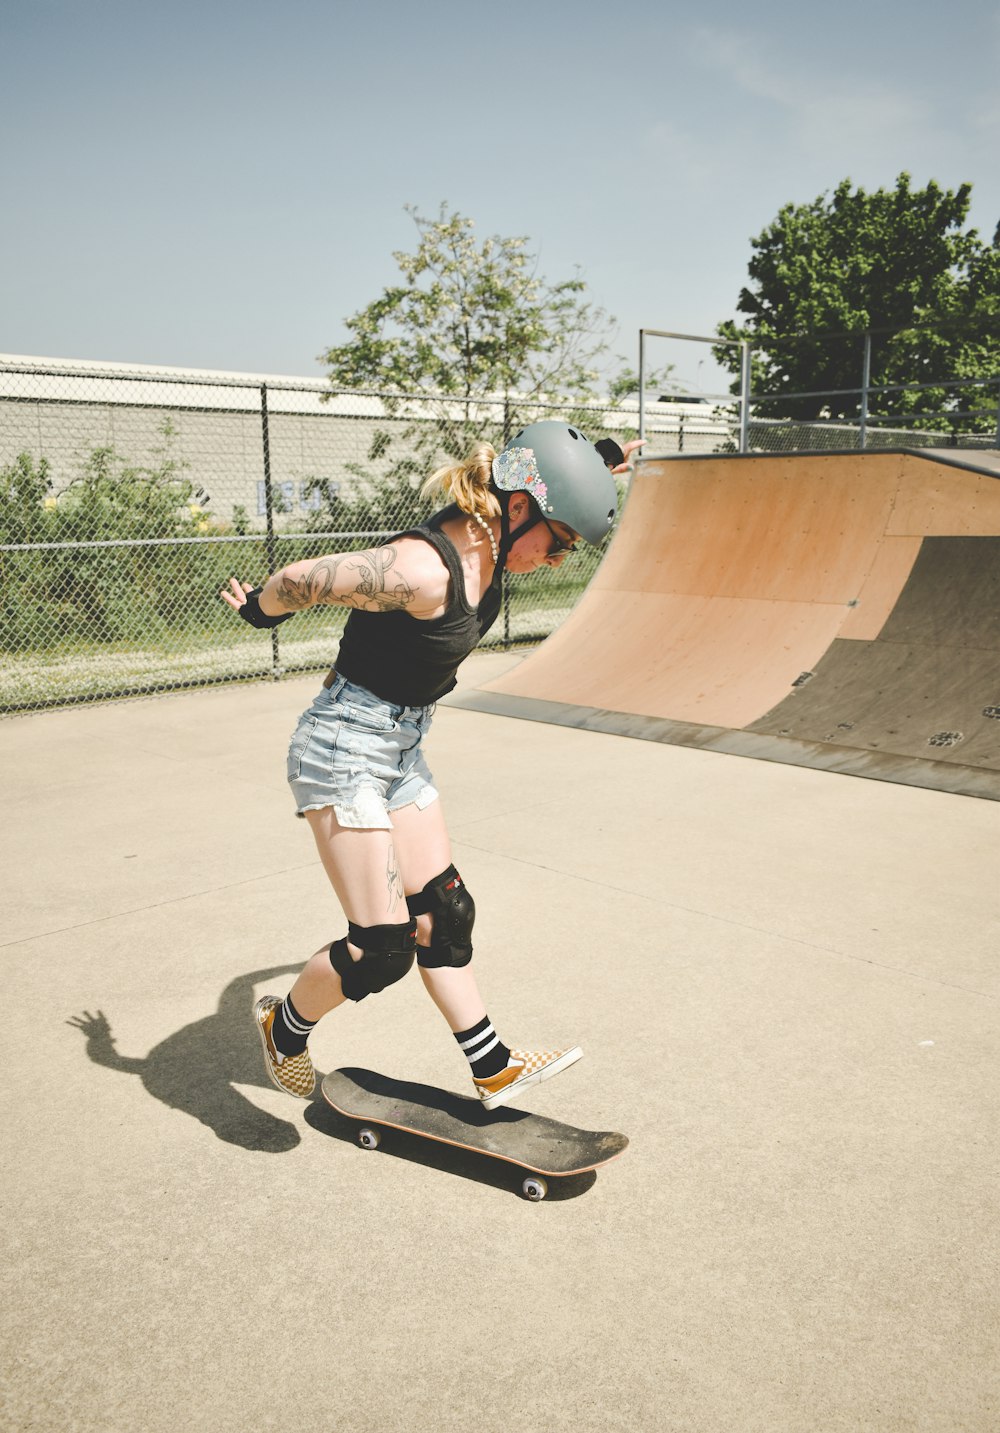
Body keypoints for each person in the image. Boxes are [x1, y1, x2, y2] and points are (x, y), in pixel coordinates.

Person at [222, 421, 640, 1111]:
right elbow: (302, 579)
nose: (558, 559)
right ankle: (283, 1029)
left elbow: (562, 468)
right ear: (517, 509)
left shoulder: (503, 536)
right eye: (559, 542)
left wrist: (604, 463)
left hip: (401, 746)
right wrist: (261, 612)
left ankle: (493, 1065)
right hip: (342, 747)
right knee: (383, 947)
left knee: (445, 914)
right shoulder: (420, 569)